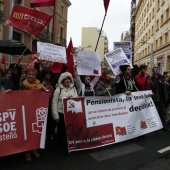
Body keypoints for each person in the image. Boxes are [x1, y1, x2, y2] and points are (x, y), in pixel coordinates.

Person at [19, 68, 45, 161]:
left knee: (34, 132)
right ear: (26, 75)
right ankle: (27, 151)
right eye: (29, 74)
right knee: (26, 132)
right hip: (25, 112)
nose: (31, 76)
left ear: (35, 76)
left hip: (35, 111)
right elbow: (17, 98)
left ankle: (33, 148)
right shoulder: (22, 86)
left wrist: (44, 92)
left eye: (33, 75)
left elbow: (45, 96)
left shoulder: (40, 85)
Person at [52, 72, 77, 152]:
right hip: (61, 113)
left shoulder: (73, 89)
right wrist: (55, 116)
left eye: (68, 79)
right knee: (61, 131)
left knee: (70, 130)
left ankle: (70, 146)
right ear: (62, 81)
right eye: (65, 79)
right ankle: (61, 148)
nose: (67, 80)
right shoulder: (58, 89)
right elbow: (54, 102)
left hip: (71, 113)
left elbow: (77, 99)